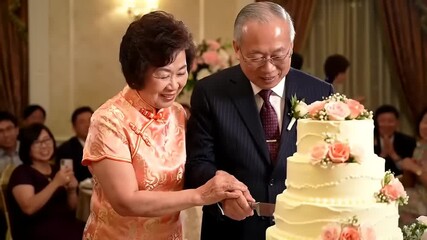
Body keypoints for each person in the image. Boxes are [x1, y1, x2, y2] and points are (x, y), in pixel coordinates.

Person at [80, 11, 248, 240]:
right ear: (137, 73)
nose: (174, 84)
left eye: (181, 73)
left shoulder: (177, 114)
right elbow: (126, 201)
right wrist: (199, 196)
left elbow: (199, 163)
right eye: (163, 75)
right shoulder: (109, 120)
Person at [184, 2, 334, 240]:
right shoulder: (210, 92)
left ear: (291, 47)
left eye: (278, 55)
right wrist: (224, 196)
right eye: (256, 56)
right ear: (237, 48)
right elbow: (197, 164)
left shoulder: (319, 92)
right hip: (231, 229)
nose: (268, 68)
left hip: (302, 228)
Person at [7, 123, 84, 240]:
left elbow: (71, 208)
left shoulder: (57, 169)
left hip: (64, 226)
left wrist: (72, 191)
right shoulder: (22, 173)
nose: (44, 146)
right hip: (36, 231)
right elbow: (28, 207)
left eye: (47, 140)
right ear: (27, 147)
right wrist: (55, 183)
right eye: (37, 142)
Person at [399, 108, 427, 225]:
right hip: (416, 194)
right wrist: (407, 168)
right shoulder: (420, 148)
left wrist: (417, 170)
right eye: (425, 122)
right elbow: (409, 183)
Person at [374, 104, 416, 176]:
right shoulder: (368, 140)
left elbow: (408, 170)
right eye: (382, 121)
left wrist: (393, 154)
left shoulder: (408, 141)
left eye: (390, 121)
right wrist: (383, 155)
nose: (386, 124)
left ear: (397, 123)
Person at [56, 106, 93, 182]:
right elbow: (67, 179)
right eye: (82, 122)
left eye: (90, 120)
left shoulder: (104, 145)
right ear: (74, 127)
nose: (87, 125)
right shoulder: (65, 149)